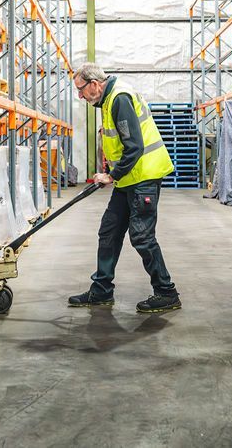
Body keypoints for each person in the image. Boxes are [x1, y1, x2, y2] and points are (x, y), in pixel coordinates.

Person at [68, 63, 181, 313]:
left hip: (143, 176)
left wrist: (110, 176)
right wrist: (115, 175)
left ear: (94, 84)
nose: (80, 95)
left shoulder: (119, 98)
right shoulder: (108, 100)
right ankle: (101, 291)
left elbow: (135, 146)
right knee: (109, 231)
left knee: (141, 236)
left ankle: (166, 293)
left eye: (81, 89)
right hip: (129, 178)